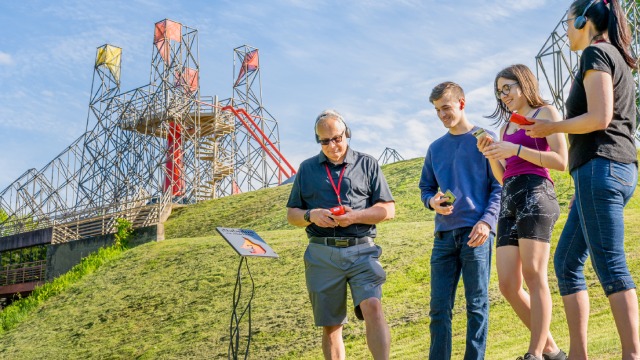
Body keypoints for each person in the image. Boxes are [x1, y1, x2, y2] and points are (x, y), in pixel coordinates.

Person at [524, 1, 639, 358]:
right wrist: (582, 186)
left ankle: (632, 353)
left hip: (602, 168)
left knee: (610, 263)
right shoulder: (614, 55)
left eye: (569, 25)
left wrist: (551, 126)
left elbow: (600, 118)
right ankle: (578, 355)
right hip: (604, 172)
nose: (566, 35)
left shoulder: (595, 54)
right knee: (567, 261)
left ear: (582, 20)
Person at [286, 109, 395, 360]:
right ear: (318, 141)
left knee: (373, 308)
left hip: (362, 250)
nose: (332, 145)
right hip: (322, 253)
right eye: (325, 141)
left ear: (347, 133)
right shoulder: (307, 169)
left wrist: (354, 216)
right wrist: (310, 215)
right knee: (331, 325)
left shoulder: (368, 163)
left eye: (337, 138)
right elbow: (292, 214)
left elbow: (388, 210)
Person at [479, 64, 568, 360]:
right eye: (499, 91)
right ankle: (552, 351)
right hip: (510, 196)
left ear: (524, 83)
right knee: (507, 284)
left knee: (533, 273)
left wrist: (515, 150)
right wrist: (492, 152)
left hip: (537, 192)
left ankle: (535, 354)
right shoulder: (506, 127)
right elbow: (502, 174)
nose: (503, 95)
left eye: (508, 88)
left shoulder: (545, 113)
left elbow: (560, 160)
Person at [419, 81, 501, 359]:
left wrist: (487, 221)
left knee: (476, 306)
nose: (442, 115)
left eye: (446, 108)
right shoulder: (435, 148)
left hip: (476, 235)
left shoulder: (485, 138)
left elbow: (501, 187)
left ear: (462, 104)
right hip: (443, 237)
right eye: (437, 110)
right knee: (438, 310)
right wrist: (432, 202)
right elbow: (426, 189)